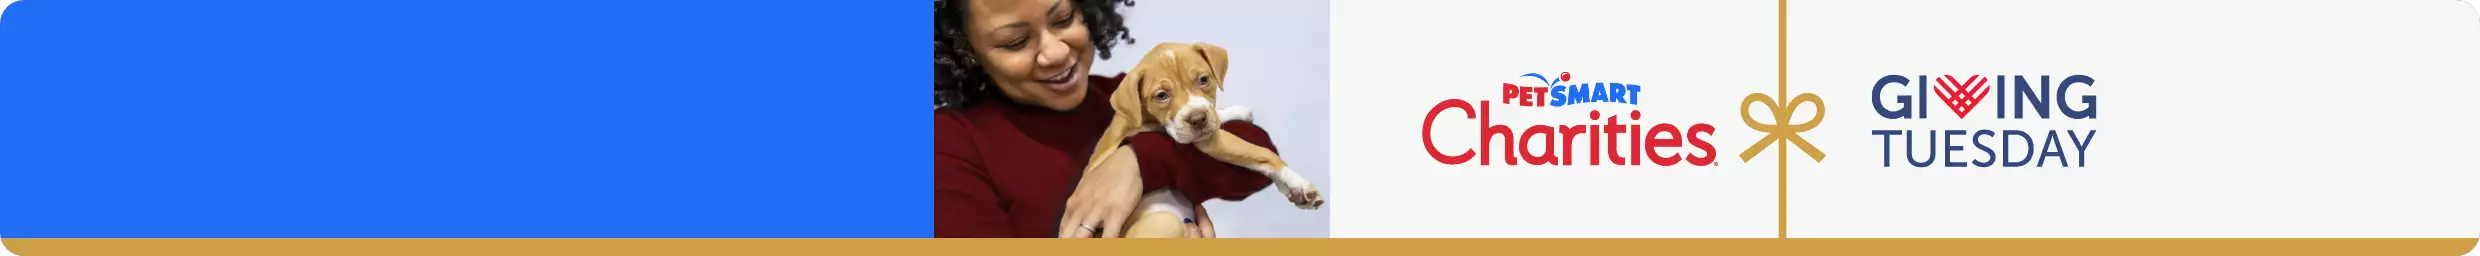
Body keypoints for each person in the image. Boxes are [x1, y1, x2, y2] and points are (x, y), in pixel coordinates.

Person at [933, 0, 1277, 238]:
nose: (1056, 52)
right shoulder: (948, 144)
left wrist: (1139, 160)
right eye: (1016, 41)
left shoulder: (1123, 99)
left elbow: (1257, 152)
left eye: (1064, 19)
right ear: (965, 52)